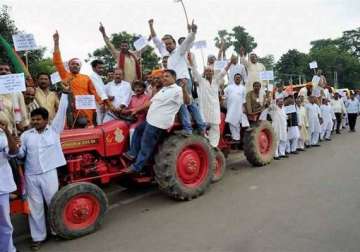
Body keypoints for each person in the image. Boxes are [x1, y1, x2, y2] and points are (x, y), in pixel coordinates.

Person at [17, 85, 69, 251]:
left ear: (46, 120)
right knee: (35, 208)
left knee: (53, 203)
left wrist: (66, 94)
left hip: (49, 174)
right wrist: (15, 149)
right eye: (34, 119)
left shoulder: (54, 130)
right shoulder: (26, 136)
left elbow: (61, 113)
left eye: (39, 119)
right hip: (31, 175)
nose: (35, 122)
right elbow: (20, 155)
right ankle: (38, 237)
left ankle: (57, 230)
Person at [124, 69, 189, 173]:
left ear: (174, 78)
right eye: (163, 77)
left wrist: (184, 88)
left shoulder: (178, 90)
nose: (164, 78)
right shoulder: (164, 89)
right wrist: (136, 109)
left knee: (146, 144)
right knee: (137, 130)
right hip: (151, 120)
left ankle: (137, 167)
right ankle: (132, 153)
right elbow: (150, 102)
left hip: (159, 122)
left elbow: (187, 101)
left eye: (167, 76)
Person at [149, 19, 206, 136]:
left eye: (170, 43)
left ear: (174, 43)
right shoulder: (164, 53)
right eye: (166, 44)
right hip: (174, 82)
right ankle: (201, 126)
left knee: (182, 104)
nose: (168, 45)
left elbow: (188, 41)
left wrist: (193, 32)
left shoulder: (180, 50)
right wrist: (150, 25)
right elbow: (155, 39)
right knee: (190, 104)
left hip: (183, 80)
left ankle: (188, 129)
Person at [52, 31, 101, 127]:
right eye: (73, 64)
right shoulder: (65, 75)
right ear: (69, 66)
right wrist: (56, 42)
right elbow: (57, 61)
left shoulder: (86, 78)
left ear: (80, 67)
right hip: (70, 109)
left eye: (77, 64)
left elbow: (94, 92)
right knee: (73, 132)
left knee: (88, 131)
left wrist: (101, 102)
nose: (75, 66)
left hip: (86, 109)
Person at [189, 53, 234, 147]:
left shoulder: (216, 81)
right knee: (202, 129)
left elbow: (223, 72)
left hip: (214, 109)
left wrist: (229, 63)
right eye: (207, 71)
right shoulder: (201, 81)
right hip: (204, 109)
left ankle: (213, 147)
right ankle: (204, 146)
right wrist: (191, 62)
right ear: (205, 73)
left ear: (213, 73)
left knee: (215, 129)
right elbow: (195, 72)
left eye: (210, 71)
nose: (209, 72)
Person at [0, 116, 18, 252]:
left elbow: (13, 152)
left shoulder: (2, 137)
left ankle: (8, 249)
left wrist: (7, 131)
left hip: (2, 187)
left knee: (5, 223)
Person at [0, 62, 29, 133]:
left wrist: (22, 129)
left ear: (11, 73)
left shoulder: (17, 92)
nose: (3, 71)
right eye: (0, 69)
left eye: (7, 70)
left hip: (13, 133)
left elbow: (23, 113)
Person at [224, 71, 246, 142]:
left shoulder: (243, 88)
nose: (237, 79)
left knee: (237, 123)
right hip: (231, 108)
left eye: (239, 78)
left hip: (239, 108)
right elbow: (224, 95)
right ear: (234, 79)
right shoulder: (229, 87)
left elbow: (244, 99)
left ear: (241, 79)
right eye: (236, 78)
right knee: (231, 121)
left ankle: (237, 138)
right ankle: (235, 137)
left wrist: (244, 108)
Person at [90, 59, 108, 124]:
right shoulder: (92, 76)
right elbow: (99, 92)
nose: (101, 69)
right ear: (93, 68)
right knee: (99, 122)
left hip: (101, 103)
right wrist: (103, 103)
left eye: (102, 68)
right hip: (97, 103)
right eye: (99, 68)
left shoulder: (99, 77)